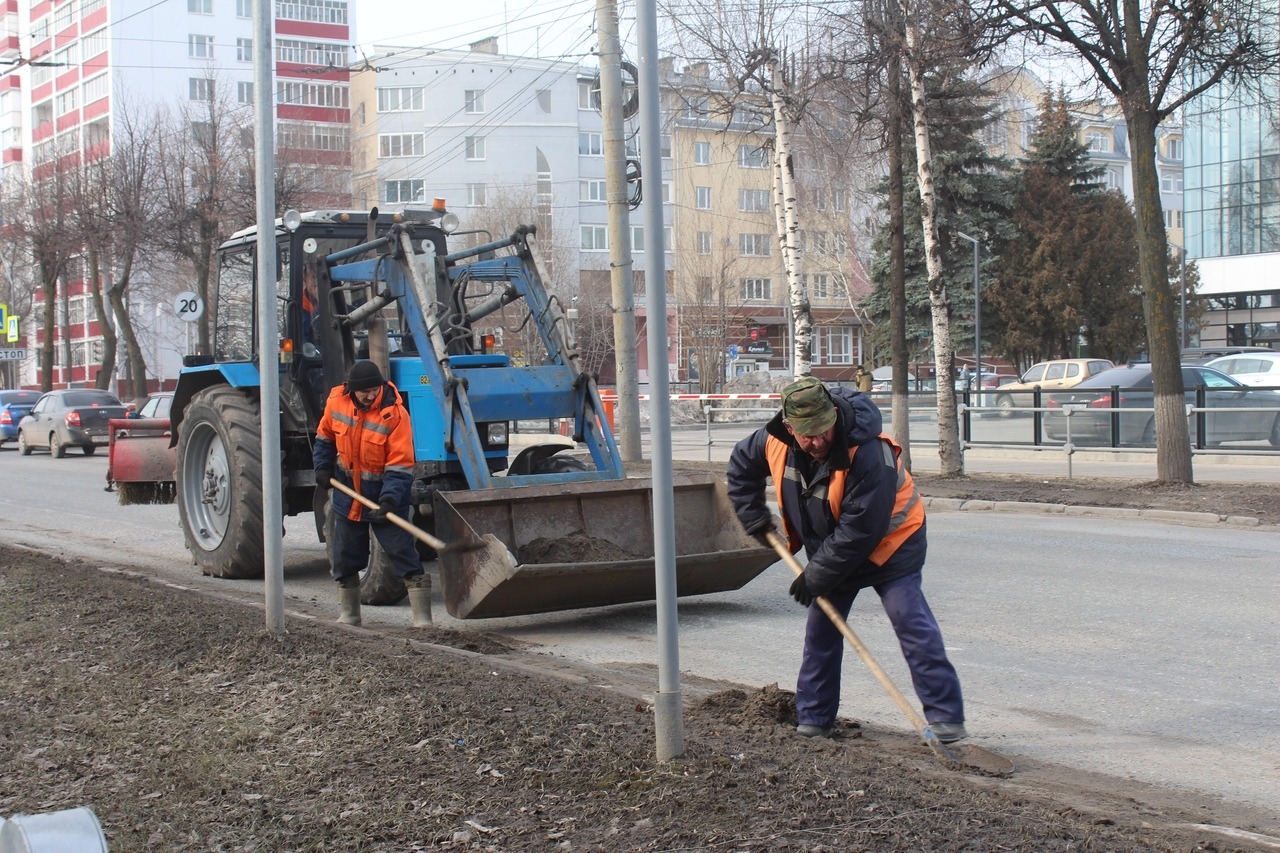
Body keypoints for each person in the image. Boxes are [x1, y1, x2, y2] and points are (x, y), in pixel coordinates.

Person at [726, 376, 966, 742]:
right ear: (789, 428)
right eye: (808, 434)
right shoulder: (772, 441)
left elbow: (861, 531)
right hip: (832, 548)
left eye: (825, 430)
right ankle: (814, 718)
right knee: (821, 630)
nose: (819, 441)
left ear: (834, 416)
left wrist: (816, 574)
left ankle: (947, 719)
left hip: (892, 545)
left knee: (910, 621)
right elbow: (741, 467)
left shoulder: (868, 453)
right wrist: (754, 516)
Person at [312, 360, 431, 627]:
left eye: (374, 389)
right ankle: (350, 614)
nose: (370, 395)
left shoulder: (396, 415)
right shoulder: (336, 403)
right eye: (364, 390)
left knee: (403, 553)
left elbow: (400, 465)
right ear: (351, 390)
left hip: (385, 496)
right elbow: (325, 437)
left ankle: (422, 619)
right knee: (345, 555)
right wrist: (321, 467)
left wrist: (389, 500)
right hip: (348, 494)